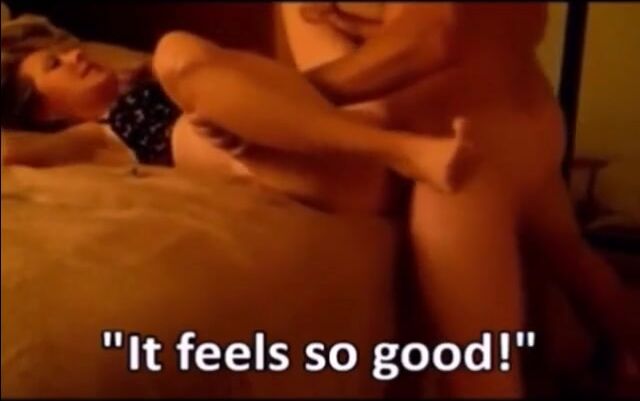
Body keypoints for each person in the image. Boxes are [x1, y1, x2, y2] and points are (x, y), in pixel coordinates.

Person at [282, 2, 639, 397]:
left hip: (466, 146)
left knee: (479, 371)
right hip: (520, 114)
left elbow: (437, 33)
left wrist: (285, 98)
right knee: (576, 264)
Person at [1, 30, 472, 215]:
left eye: (65, 52)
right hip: (318, 175)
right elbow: (10, 151)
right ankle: (401, 149)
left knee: (177, 53)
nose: (74, 55)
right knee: (178, 70)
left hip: (332, 123)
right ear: (44, 112)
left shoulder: (158, 75)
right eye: (54, 66)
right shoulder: (95, 137)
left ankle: (397, 143)